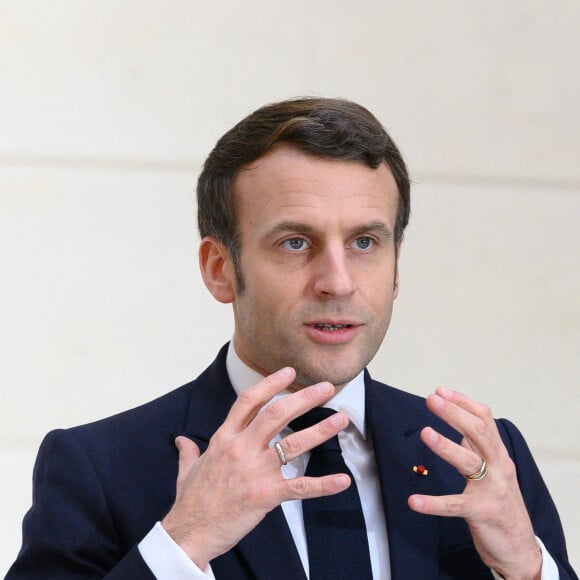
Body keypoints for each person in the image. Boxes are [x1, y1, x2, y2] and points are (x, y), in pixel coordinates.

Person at [7, 97, 576, 580]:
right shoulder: (101, 469)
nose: (338, 282)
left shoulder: (480, 459)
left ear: (397, 267)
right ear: (219, 268)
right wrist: (181, 545)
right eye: (296, 243)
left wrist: (528, 568)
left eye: (365, 243)